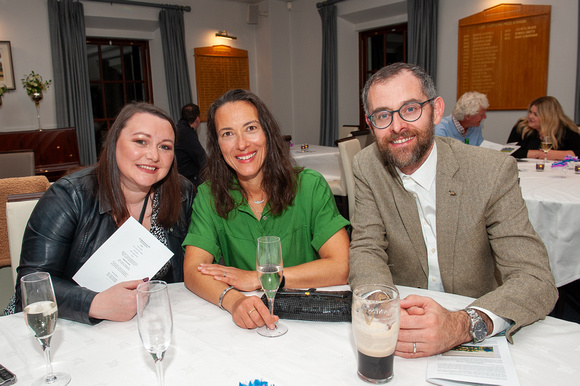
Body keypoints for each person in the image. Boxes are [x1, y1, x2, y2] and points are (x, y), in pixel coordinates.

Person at [349, 62, 557, 359]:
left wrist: (462, 324)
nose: (396, 127)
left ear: (435, 111)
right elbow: (367, 248)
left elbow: (535, 279)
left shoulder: (492, 171)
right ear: (370, 125)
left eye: (410, 109)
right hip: (404, 329)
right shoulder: (367, 165)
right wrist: (383, 309)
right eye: (383, 115)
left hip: (477, 324)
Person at [10, 102, 195, 325]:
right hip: (59, 326)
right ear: (114, 142)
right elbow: (30, 287)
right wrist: (94, 303)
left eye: (165, 146)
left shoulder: (181, 194)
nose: (153, 155)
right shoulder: (69, 196)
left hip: (142, 324)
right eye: (140, 141)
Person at [183, 89, 350, 331]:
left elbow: (342, 266)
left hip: (313, 320)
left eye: (251, 128)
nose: (242, 144)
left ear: (268, 133)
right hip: (250, 322)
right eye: (228, 133)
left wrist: (259, 278)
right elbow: (192, 270)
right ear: (218, 145)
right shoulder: (209, 196)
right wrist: (234, 300)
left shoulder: (310, 187)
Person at [507, 96, 580, 159]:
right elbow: (507, 151)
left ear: (548, 117)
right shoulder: (522, 126)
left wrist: (555, 155)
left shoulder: (565, 130)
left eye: (536, 114)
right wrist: (539, 154)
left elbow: (578, 152)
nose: (530, 116)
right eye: (530, 112)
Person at [175, 103, 207, 187]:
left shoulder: (178, 128)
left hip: (178, 176)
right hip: (187, 180)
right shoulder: (187, 133)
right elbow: (201, 158)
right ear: (197, 119)